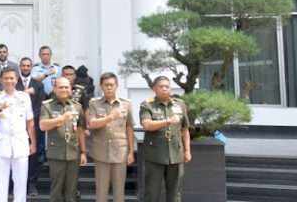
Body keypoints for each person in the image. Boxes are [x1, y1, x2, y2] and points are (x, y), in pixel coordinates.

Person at [0, 67, 37, 202]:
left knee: (20, 182)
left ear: (16, 80)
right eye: (6, 78)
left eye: (11, 78)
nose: (9, 81)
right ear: (1, 80)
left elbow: (29, 121)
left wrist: (33, 143)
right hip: (1, 144)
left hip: (20, 143)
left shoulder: (24, 97)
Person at [140, 76, 191, 202]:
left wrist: (187, 150)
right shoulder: (147, 105)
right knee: (152, 193)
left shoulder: (180, 105)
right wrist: (168, 121)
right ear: (154, 89)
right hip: (155, 155)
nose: (164, 89)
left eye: (167, 86)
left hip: (175, 154)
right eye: (161, 86)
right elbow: (146, 125)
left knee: (175, 193)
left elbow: (185, 129)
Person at [88, 72, 135, 202]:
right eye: (106, 85)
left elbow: (129, 128)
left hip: (120, 151)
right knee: (101, 192)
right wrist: (110, 117)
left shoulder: (126, 104)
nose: (109, 87)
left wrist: (131, 152)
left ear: (116, 86)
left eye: (111, 85)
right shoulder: (94, 103)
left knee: (119, 192)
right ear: (101, 87)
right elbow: (92, 124)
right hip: (101, 151)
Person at [39, 77, 87, 202]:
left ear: (71, 89)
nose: (64, 89)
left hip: (74, 152)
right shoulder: (47, 105)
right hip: (56, 153)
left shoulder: (77, 107)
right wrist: (61, 118)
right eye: (60, 87)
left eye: (66, 87)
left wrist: (83, 152)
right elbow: (43, 125)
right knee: (56, 190)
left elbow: (81, 131)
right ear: (54, 89)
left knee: (71, 190)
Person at [14, 56, 46, 196]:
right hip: (16, 126)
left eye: (28, 66)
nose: (26, 68)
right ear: (20, 67)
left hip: (33, 125)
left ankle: (32, 184)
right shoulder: (14, 83)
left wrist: (30, 119)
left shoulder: (38, 85)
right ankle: (15, 183)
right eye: (24, 65)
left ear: (31, 68)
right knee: (16, 155)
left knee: (33, 155)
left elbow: (40, 104)